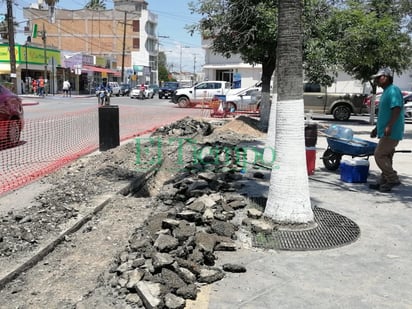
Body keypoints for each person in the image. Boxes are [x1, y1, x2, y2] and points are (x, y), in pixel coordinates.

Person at [369, 67, 404, 192]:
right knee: (387, 156)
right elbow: (385, 113)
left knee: (379, 155)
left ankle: (393, 178)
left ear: (386, 77)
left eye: (379, 77)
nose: (377, 80)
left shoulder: (393, 90)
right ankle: (384, 180)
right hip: (387, 130)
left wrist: (389, 126)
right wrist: (376, 128)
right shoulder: (386, 91)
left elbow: (397, 108)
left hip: (392, 131)